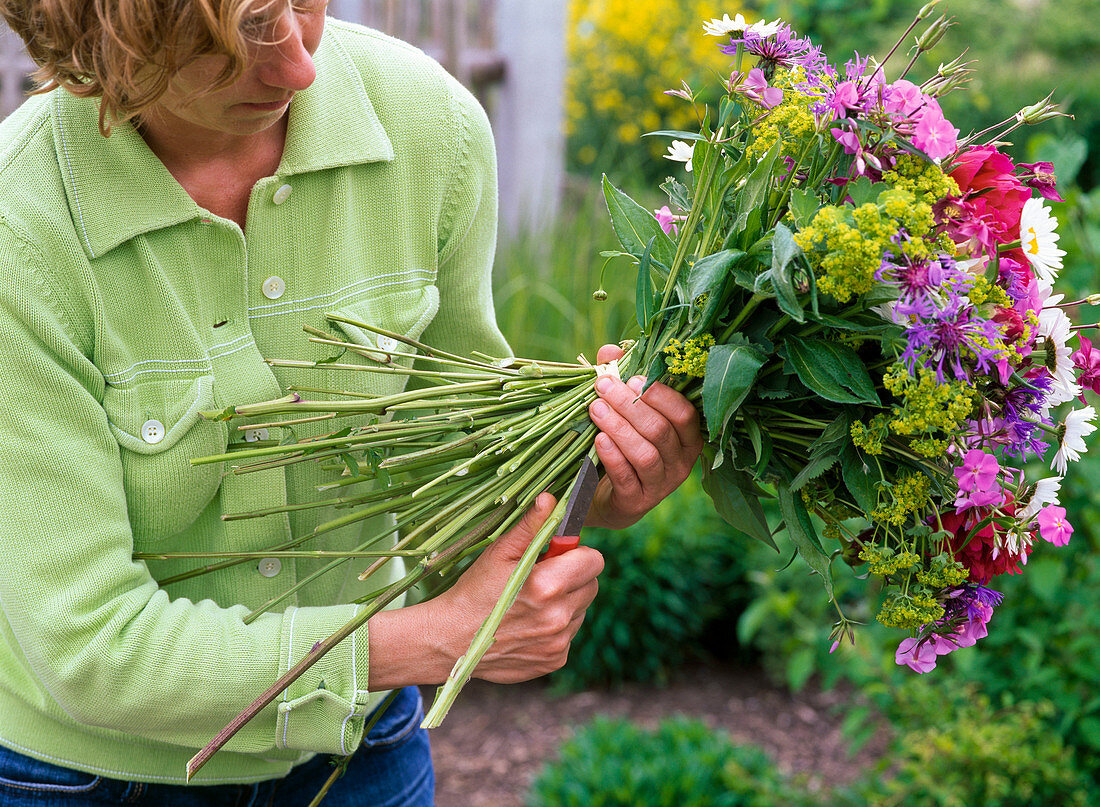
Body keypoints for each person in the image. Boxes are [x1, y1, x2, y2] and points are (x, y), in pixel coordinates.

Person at [0, 0, 703, 804]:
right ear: (108, 36)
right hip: (90, 778)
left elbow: (460, 474)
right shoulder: (21, 229)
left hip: (361, 758)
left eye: (303, 4)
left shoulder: (427, 128)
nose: (301, 65)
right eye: (234, 38)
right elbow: (93, 646)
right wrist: (432, 639)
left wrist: (599, 476)